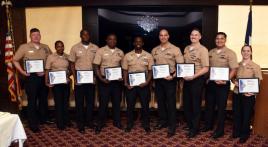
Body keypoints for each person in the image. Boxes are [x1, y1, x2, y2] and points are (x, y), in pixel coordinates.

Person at [13, 28, 52, 133]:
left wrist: (45, 72)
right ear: (30, 36)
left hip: (43, 77)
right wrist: (22, 71)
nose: (36, 37)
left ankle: (43, 119)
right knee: (32, 101)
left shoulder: (45, 47)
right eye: (34, 35)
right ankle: (33, 123)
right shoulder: (24, 47)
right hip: (31, 78)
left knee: (43, 99)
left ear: (40, 36)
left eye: (38, 35)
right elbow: (15, 60)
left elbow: (51, 61)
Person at [202, 32, 238, 139]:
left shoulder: (231, 53)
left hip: (223, 85)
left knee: (221, 108)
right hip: (212, 84)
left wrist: (225, 79)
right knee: (209, 106)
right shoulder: (210, 52)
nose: (219, 40)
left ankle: (220, 130)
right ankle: (208, 126)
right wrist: (207, 78)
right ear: (215, 40)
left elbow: (234, 69)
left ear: (225, 40)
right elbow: (208, 68)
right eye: (217, 38)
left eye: (222, 38)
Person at [151, 29, 184, 138]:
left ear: (168, 36)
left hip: (170, 79)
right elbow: (152, 66)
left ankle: (172, 125)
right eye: (161, 35)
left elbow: (180, 66)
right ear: (159, 37)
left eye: (165, 35)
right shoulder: (154, 50)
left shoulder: (175, 49)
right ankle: (163, 121)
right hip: (158, 80)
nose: (163, 37)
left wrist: (173, 76)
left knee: (170, 103)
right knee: (160, 101)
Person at [68, 29, 99, 133]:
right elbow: (71, 63)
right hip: (79, 80)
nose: (86, 36)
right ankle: (80, 124)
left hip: (91, 80)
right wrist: (75, 78)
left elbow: (97, 64)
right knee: (79, 103)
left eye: (87, 34)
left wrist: (96, 76)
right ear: (80, 36)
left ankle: (89, 122)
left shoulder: (95, 48)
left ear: (89, 35)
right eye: (83, 34)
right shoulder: (75, 48)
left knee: (90, 103)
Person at [93, 34, 124, 134]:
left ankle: (117, 122)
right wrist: (101, 79)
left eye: (114, 39)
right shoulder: (100, 51)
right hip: (104, 81)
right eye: (110, 39)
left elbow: (123, 67)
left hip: (116, 82)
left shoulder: (120, 52)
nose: (112, 41)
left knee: (116, 103)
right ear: (106, 40)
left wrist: (122, 77)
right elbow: (96, 66)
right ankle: (100, 123)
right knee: (103, 103)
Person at [122, 36, 154, 133]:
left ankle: (146, 125)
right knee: (130, 106)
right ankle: (129, 124)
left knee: (145, 106)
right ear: (133, 43)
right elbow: (125, 70)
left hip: (144, 85)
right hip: (131, 86)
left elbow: (150, 71)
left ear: (143, 43)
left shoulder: (148, 56)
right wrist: (126, 83)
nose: (138, 43)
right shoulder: (127, 56)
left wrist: (147, 82)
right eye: (136, 41)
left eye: (140, 41)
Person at [232, 45, 262, 143]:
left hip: (248, 95)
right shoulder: (237, 65)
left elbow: (258, 82)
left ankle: (244, 134)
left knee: (246, 115)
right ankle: (237, 132)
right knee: (237, 114)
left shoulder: (256, 66)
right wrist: (234, 82)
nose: (246, 52)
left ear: (251, 52)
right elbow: (233, 77)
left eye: (248, 51)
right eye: (244, 51)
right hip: (237, 93)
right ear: (241, 52)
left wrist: (252, 92)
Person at [183, 28, 209, 138]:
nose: (193, 36)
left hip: (197, 80)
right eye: (192, 34)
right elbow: (184, 65)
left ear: (200, 37)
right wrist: (183, 75)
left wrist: (193, 76)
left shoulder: (203, 50)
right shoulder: (187, 48)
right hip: (187, 80)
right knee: (187, 104)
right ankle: (190, 124)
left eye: (196, 35)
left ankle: (195, 128)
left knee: (195, 105)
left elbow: (206, 68)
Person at [45, 40, 72, 130]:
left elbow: (71, 69)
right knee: (59, 103)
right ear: (55, 47)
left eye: (62, 46)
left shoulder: (67, 57)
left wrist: (68, 74)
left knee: (65, 103)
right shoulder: (51, 57)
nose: (60, 48)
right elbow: (47, 70)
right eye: (58, 46)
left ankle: (67, 120)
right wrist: (46, 82)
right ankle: (60, 123)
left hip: (66, 83)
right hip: (56, 84)